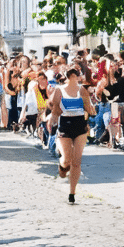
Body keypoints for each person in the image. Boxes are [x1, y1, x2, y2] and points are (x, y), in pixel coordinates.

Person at [49, 68, 95, 204]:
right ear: (70, 77)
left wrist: (91, 110)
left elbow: (88, 107)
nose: (78, 78)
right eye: (75, 76)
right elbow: (55, 107)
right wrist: (53, 117)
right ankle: (62, 165)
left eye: (78, 76)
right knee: (67, 159)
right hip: (65, 125)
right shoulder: (60, 90)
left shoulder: (82, 90)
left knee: (76, 161)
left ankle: (72, 192)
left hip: (80, 124)